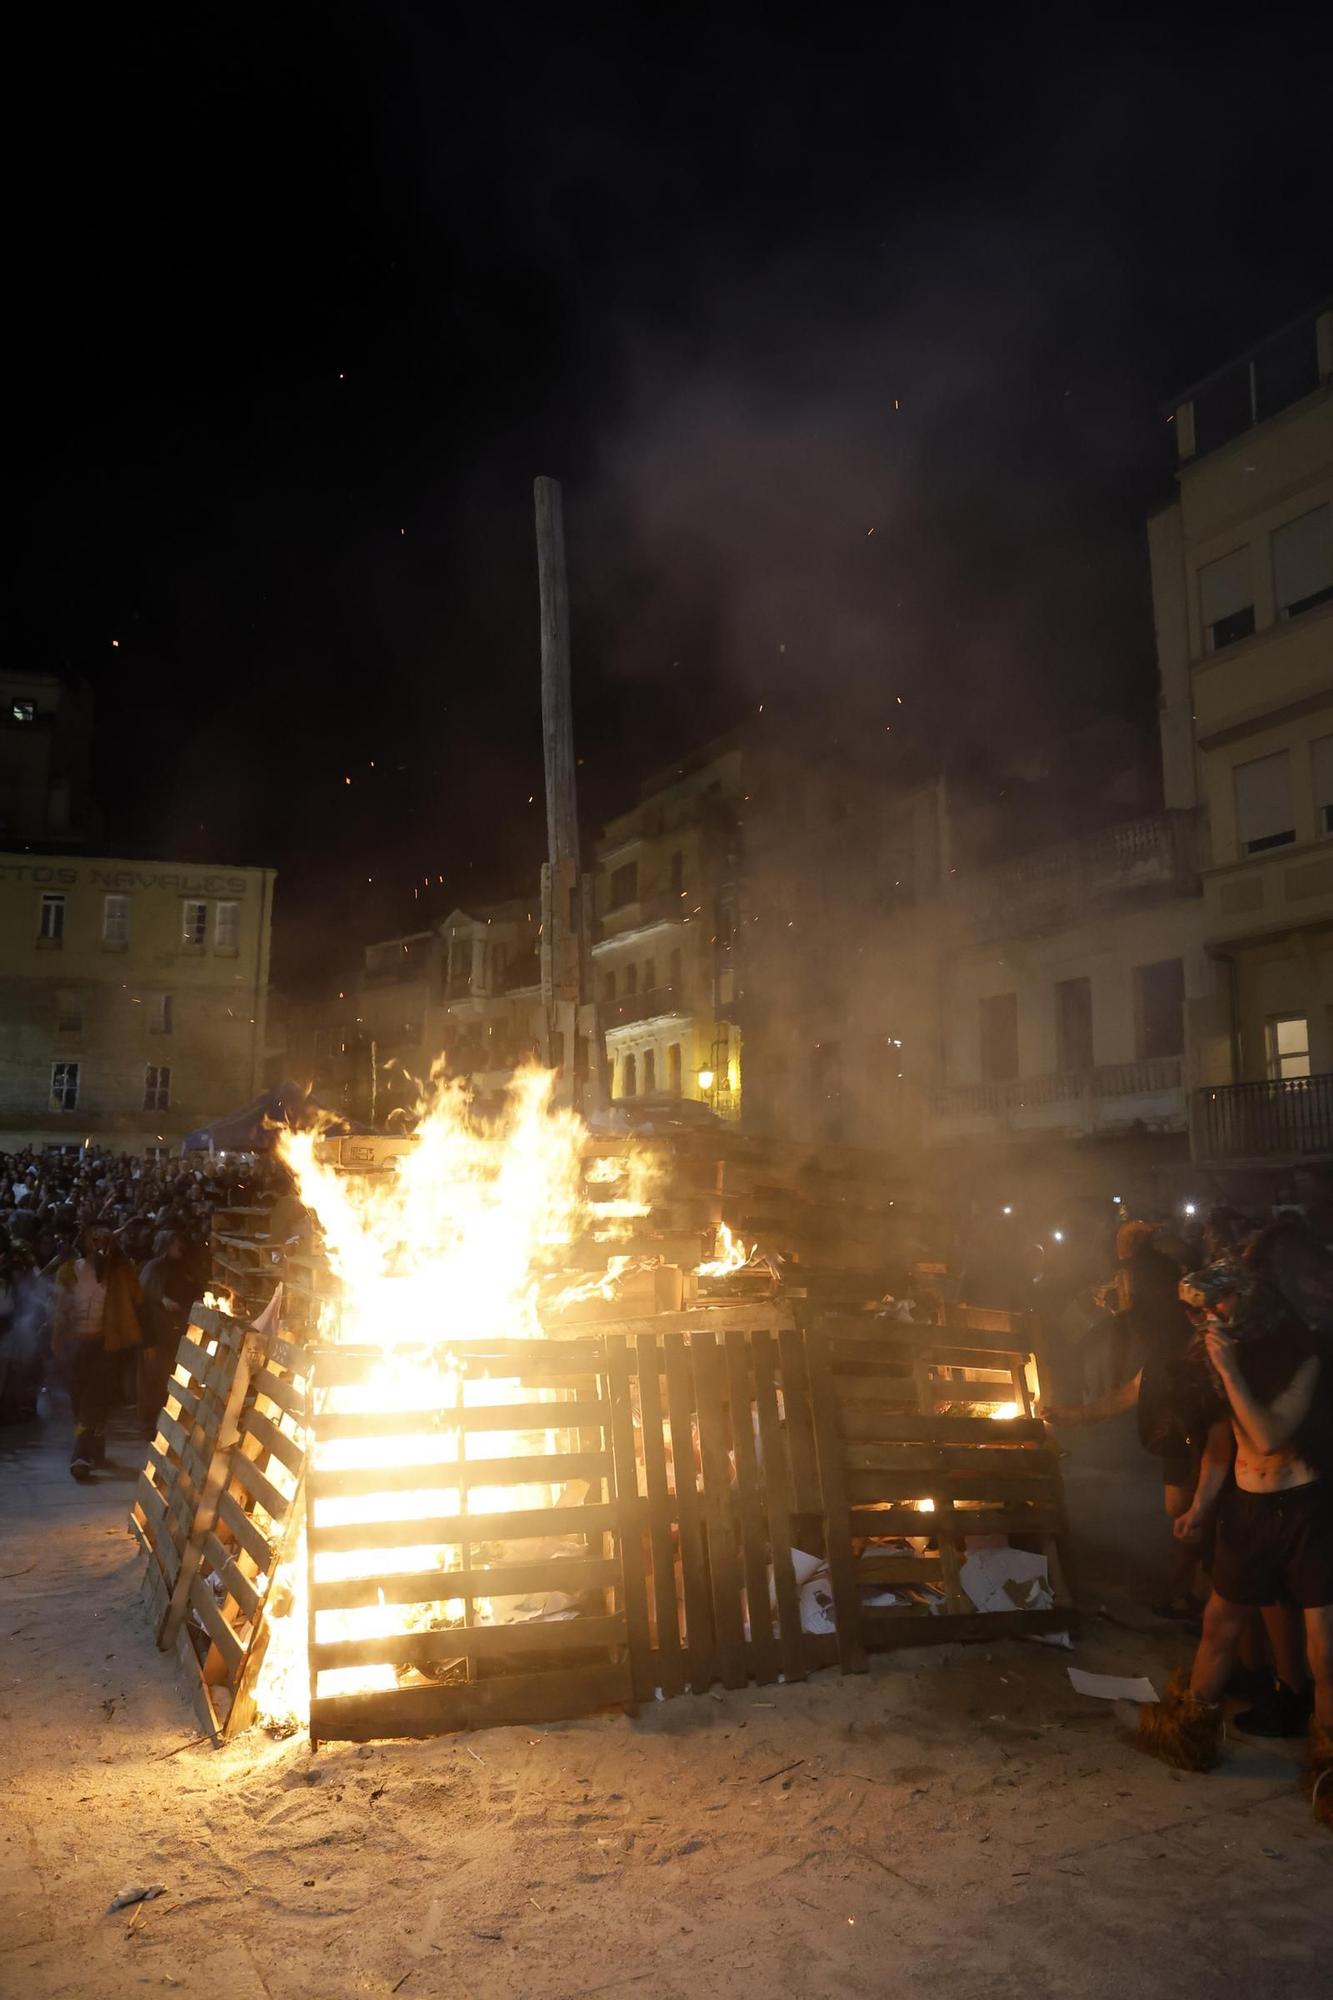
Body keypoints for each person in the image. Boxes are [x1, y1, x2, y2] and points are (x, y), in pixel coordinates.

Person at [1134, 1260, 1333, 1828]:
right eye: (1196, 1311)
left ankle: (1329, 1766)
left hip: (1305, 1511)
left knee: (1325, 1651)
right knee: (1219, 1625)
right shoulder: (1219, 1357)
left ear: (1251, 1303)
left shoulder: (1306, 1356)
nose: (1204, 1319)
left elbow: (1269, 1435)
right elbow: (1223, 1443)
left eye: (1213, 1307)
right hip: (1246, 1511)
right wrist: (1199, 1506)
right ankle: (1189, 1734)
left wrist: (1228, 1368)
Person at [1043, 1219, 1208, 1617]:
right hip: (1182, 1444)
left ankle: (1201, 1597)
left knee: (1201, 1523)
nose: (1117, 1298)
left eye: (1126, 1289)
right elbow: (1136, 1388)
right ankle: (1186, 1590)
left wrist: (1204, 1488)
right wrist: (1074, 1416)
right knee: (1183, 1515)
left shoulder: (1200, 1344)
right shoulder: (1163, 1342)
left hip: (1218, 1457)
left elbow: (1218, 1438)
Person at [51, 1226, 143, 1478]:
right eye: (96, 1240)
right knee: (79, 1400)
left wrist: (122, 1263)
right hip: (75, 1345)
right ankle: (95, 1447)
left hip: (105, 1345)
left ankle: (80, 1455)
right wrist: (57, 1342)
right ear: (86, 1243)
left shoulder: (119, 1273)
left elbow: (136, 1297)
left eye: (106, 1240)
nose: (100, 1245)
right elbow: (59, 1309)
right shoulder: (70, 1271)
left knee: (93, 1400)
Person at [137, 1230, 190, 1436]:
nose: (180, 1248)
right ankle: (149, 1423)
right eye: (176, 1245)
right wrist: (163, 1300)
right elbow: (145, 1298)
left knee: (166, 1379)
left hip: (170, 1334)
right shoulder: (153, 1269)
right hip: (153, 1335)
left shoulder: (176, 1267)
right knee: (151, 1381)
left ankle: (164, 1420)